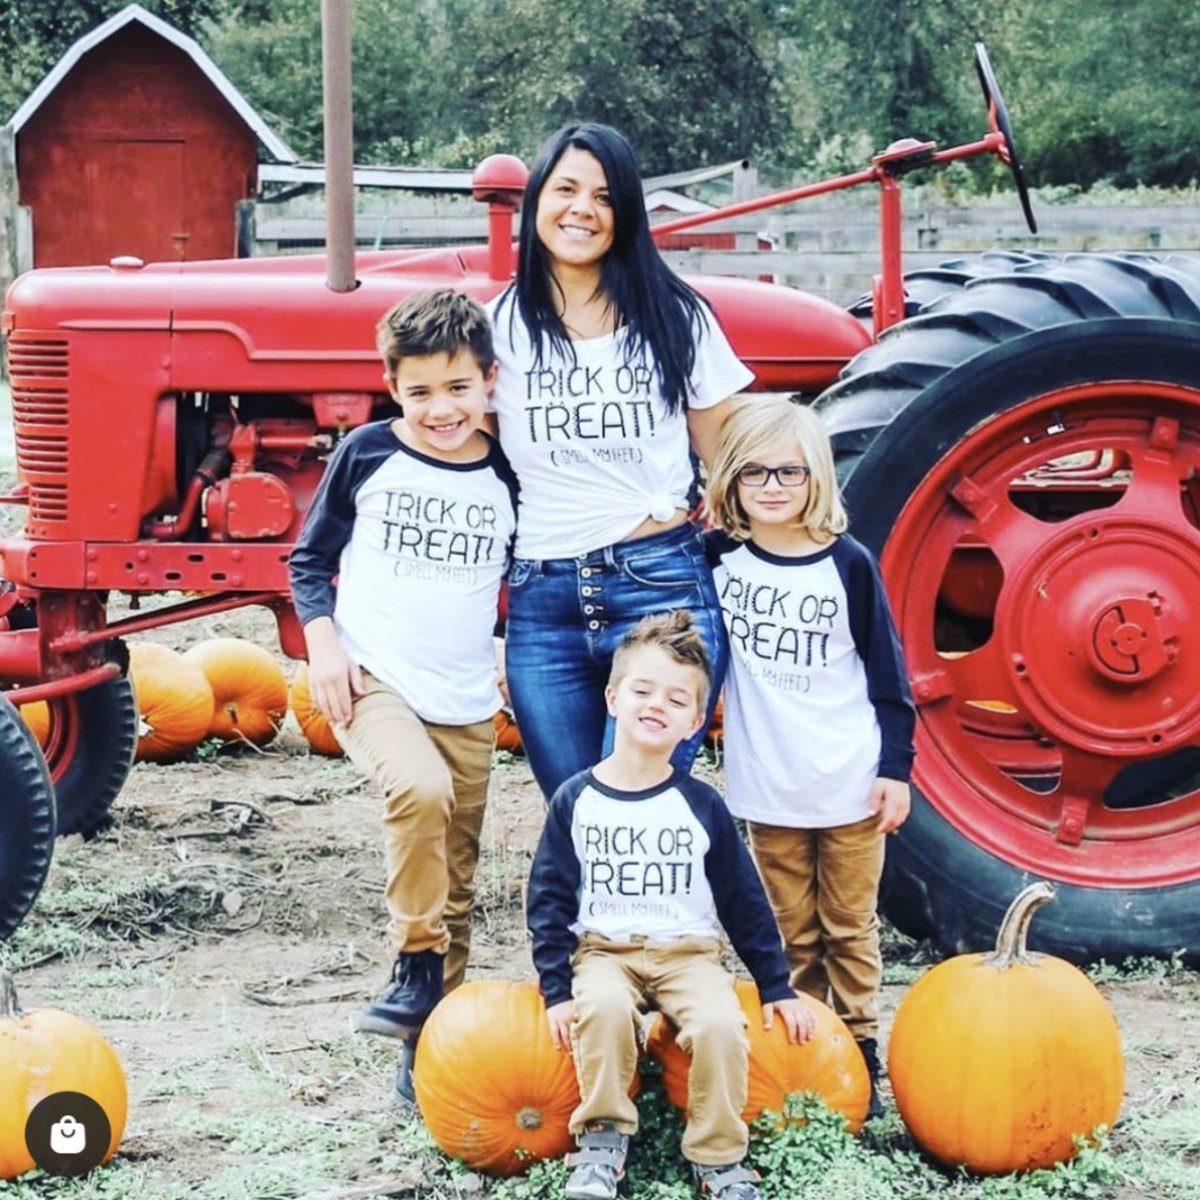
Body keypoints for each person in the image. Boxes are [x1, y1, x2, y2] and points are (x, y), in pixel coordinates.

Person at [289, 288, 517, 1103]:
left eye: (458, 388)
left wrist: (511, 652)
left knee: (454, 872)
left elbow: (523, 576)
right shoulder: (367, 454)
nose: (441, 408)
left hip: (466, 695)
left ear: (488, 380)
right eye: (419, 392)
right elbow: (309, 560)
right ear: (392, 388)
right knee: (417, 791)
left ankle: (427, 1054)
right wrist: (323, 645)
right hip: (372, 676)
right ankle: (415, 961)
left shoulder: (508, 471)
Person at [487, 121, 755, 801]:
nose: (582, 209)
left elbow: (729, 462)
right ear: (536, 200)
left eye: (604, 197)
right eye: (566, 189)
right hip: (543, 600)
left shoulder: (677, 317)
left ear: (627, 212)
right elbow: (477, 469)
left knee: (638, 805)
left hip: (659, 588)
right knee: (576, 811)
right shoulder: (497, 329)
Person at [527, 611, 814, 1200]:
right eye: (642, 690)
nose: (657, 704)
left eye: (677, 699)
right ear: (613, 698)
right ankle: (602, 1139)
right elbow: (548, 900)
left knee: (720, 1027)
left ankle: (718, 1157)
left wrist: (776, 985)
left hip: (688, 955)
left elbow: (743, 900)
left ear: (694, 723)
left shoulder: (701, 806)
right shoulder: (576, 800)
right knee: (602, 1010)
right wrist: (556, 989)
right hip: (605, 952)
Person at [704, 394, 915, 1119]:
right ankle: (808, 1056)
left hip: (850, 782)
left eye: (789, 472)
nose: (772, 486)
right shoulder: (720, 562)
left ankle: (859, 1049)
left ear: (816, 477)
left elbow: (889, 679)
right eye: (754, 472)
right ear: (732, 479)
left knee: (849, 928)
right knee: (791, 931)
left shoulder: (847, 565)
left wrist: (895, 770)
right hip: (768, 787)